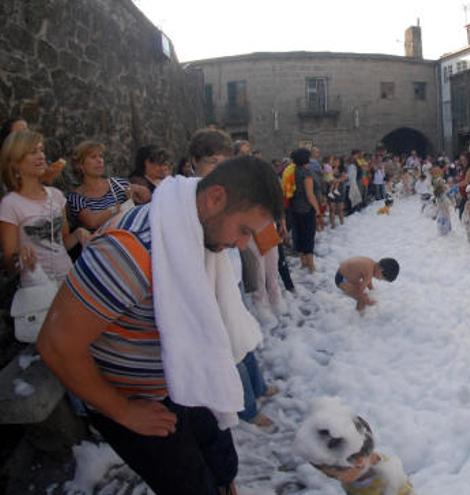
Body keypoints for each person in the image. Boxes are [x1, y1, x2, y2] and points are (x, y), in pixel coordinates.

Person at [37, 156, 284, 495]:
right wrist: (123, 411)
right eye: (244, 230)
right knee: (189, 484)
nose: (243, 245)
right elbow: (56, 344)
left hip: (183, 376)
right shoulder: (129, 251)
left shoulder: (193, 231)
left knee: (221, 461)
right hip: (137, 400)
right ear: (215, 198)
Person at [0, 130, 90, 284]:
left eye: (41, 150)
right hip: (36, 289)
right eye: (33, 152)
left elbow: (61, 243)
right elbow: (10, 264)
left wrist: (78, 234)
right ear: (15, 162)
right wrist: (20, 257)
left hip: (68, 282)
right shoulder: (10, 204)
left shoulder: (56, 196)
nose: (41, 156)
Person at [293, 397, 414, 495]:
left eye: (333, 475)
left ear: (358, 464)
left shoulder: (385, 481)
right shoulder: (358, 467)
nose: (333, 478)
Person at [66, 141, 148, 232]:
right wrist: (117, 208)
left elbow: (146, 198)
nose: (99, 160)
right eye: (93, 157)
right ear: (80, 165)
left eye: (101, 156)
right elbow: (92, 222)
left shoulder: (117, 183)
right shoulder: (76, 197)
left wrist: (138, 190)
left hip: (130, 236)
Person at [289, 148, 320, 272]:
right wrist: (317, 209)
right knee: (308, 235)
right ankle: (311, 264)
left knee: (298, 234)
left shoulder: (291, 171)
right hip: (306, 208)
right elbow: (310, 194)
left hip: (294, 207)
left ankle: (303, 262)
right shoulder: (306, 173)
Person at [335, 256, 399, 313]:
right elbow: (360, 291)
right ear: (381, 270)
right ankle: (358, 318)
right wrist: (367, 301)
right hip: (342, 280)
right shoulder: (369, 273)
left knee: (364, 294)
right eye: (382, 278)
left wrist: (372, 289)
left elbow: (367, 280)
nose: (379, 280)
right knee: (362, 298)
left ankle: (359, 314)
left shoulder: (371, 263)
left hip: (344, 274)